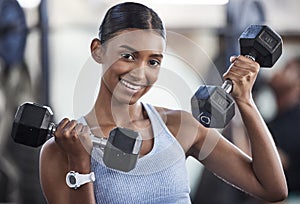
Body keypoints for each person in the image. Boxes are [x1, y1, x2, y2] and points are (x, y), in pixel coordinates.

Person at [39, 2, 288, 204]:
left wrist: (245, 100)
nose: (140, 73)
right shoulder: (61, 149)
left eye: (153, 62)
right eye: (128, 56)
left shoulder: (179, 127)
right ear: (98, 50)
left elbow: (272, 188)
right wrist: (80, 164)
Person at [267, 56, 300, 202]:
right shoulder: (273, 120)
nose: (277, 72)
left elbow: (274, 165)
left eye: (287, 68)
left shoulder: (296, 122)